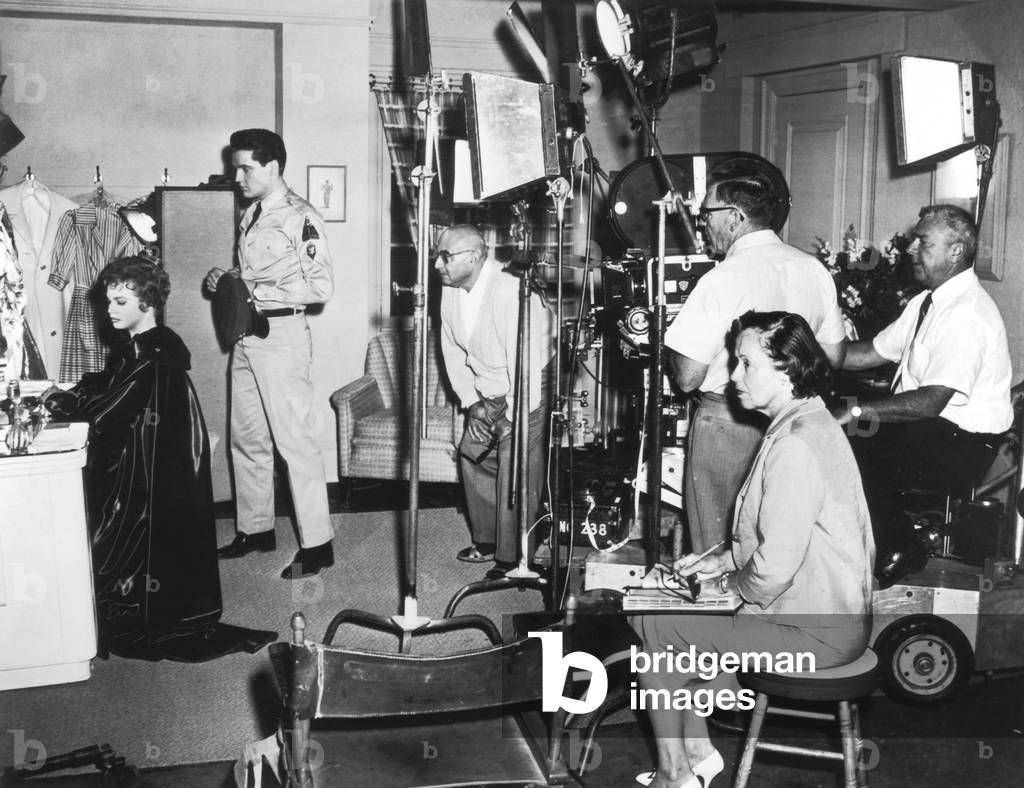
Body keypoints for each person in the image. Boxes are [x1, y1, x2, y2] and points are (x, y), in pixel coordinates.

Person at [633, 311, 874, 788]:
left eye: (746, 364)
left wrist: (720, 588)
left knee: (656, 632)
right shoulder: (807, 422)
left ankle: (675, 773)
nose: (735, 375)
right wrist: (720, 560)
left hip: (814, 635)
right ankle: (698, 754)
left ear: (787, 370)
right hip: (827, 617)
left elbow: (772, 572)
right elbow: (778, 536)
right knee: (655, 613)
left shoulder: (795, 446)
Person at [43, 256, 275, 661]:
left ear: (146, 304)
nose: (109, 310)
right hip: (151, 463)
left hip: (150, 474)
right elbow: (110, 384)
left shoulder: (150, 358)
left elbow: (108, 412)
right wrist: (78, 390)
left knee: (113, 532)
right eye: (108, 301)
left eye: (119, 302)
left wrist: (61, 402)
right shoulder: (146, 347)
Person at [664, 162, 846, 554]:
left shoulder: (719, 279)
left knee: (716, 550)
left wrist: (671, 342)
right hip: (796, 422)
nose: (703, 224)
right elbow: (833, 355)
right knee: (782, 542)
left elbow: (688, 378)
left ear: (734, 217)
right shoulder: (813, 269)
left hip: (728, 424)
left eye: (708, 214)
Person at [834, 204, 1013, 584]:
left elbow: (931, 401)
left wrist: (856, 412)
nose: (910, 249)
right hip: (932, 430)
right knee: (835, 427)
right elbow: (870, 353)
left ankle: (898, 541)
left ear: (956, 252)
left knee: (847, 439)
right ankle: (879, 539)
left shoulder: (966, 313)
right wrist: (812, 353)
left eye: (923, 242)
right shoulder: (925, 302)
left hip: (963, 444)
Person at [205, 128, 335, 579]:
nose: (236, 175)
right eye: (235, 166)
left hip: (281, 338)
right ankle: (256, 528)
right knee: (246, 437)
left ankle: (318, 544)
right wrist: (228, 279)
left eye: (245, 167)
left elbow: (320, 287)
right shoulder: (252, 213)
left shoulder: (300, 217)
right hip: (246, 336)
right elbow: (255, 271)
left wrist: (253, 288)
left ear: (273, 167)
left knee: (294, 442)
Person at [436, 224, 554, 579]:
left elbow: (526, 362)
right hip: (488, 386)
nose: (438, 264)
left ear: (473, 256)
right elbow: (451, 350)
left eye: (446, 256)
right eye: (437, 255)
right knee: (472, 453)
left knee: (515, 462)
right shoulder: (451, 290)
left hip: (531, 380)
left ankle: (513, 556)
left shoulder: (510, 291)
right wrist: (473, 402)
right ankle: (487, 540)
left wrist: (513, 417)